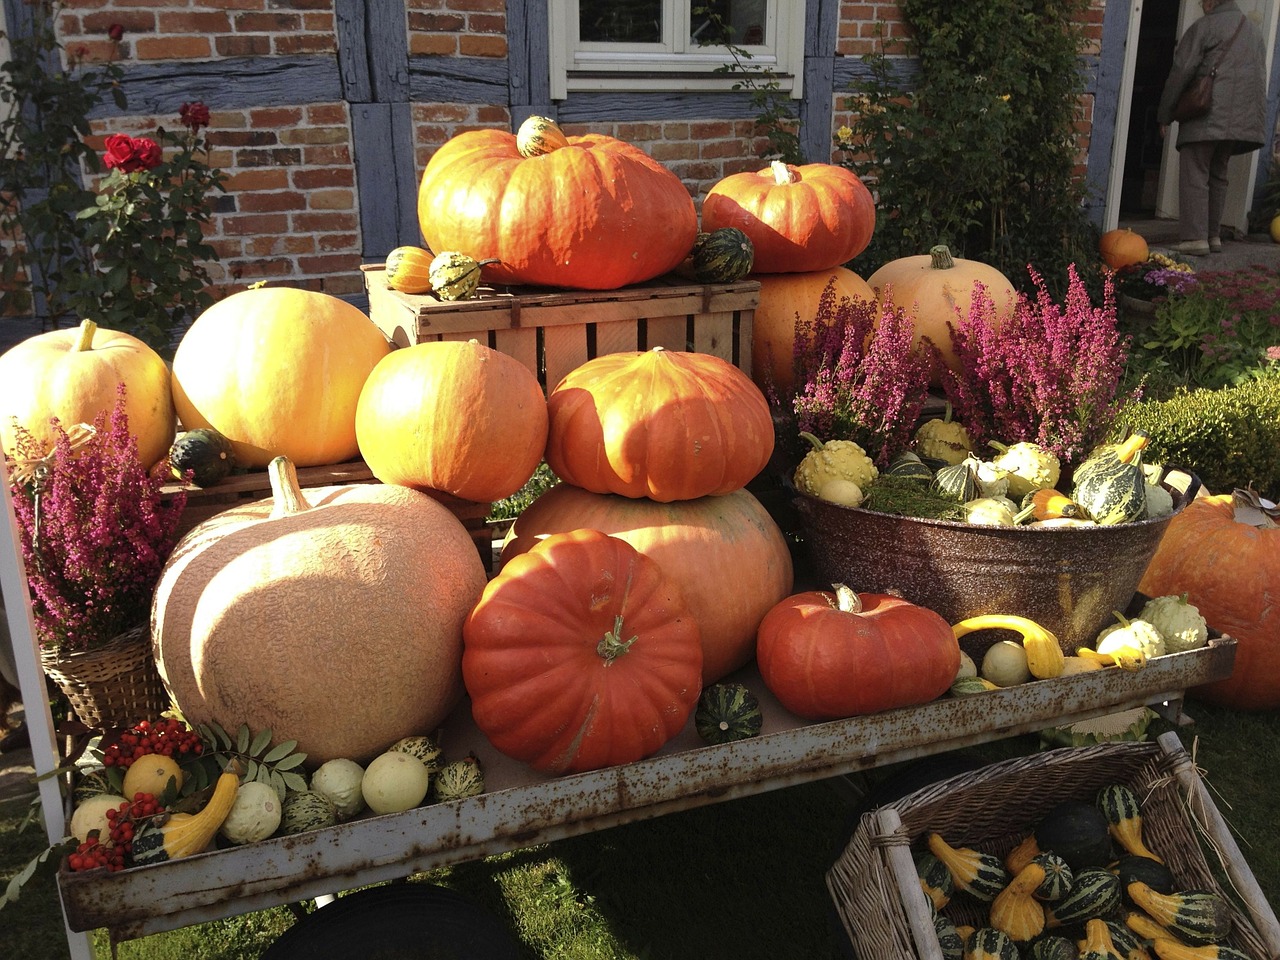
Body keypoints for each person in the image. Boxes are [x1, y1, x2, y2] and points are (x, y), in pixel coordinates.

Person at [1156, 0, 1267, 257]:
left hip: (1205, 114)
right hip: (1238, 121)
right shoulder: (1253, 32)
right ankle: (1212, 235)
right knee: (1218, 173)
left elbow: (1181, 70)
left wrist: (1165, 113)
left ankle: (1195, 238)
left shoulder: (1205, 27)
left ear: (1210, 2)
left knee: (1195, 171)